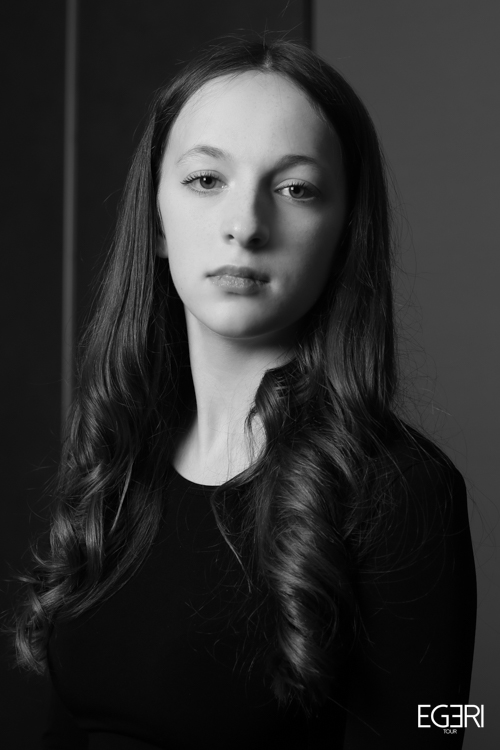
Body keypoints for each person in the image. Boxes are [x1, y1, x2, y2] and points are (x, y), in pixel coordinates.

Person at [13, 37, 476, 749]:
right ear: (156, 221)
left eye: (295, 189)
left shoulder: (400, 490)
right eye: (206, 180)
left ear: (343, 234)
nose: (246, 226)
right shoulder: (119, 453)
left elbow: (439, 724)